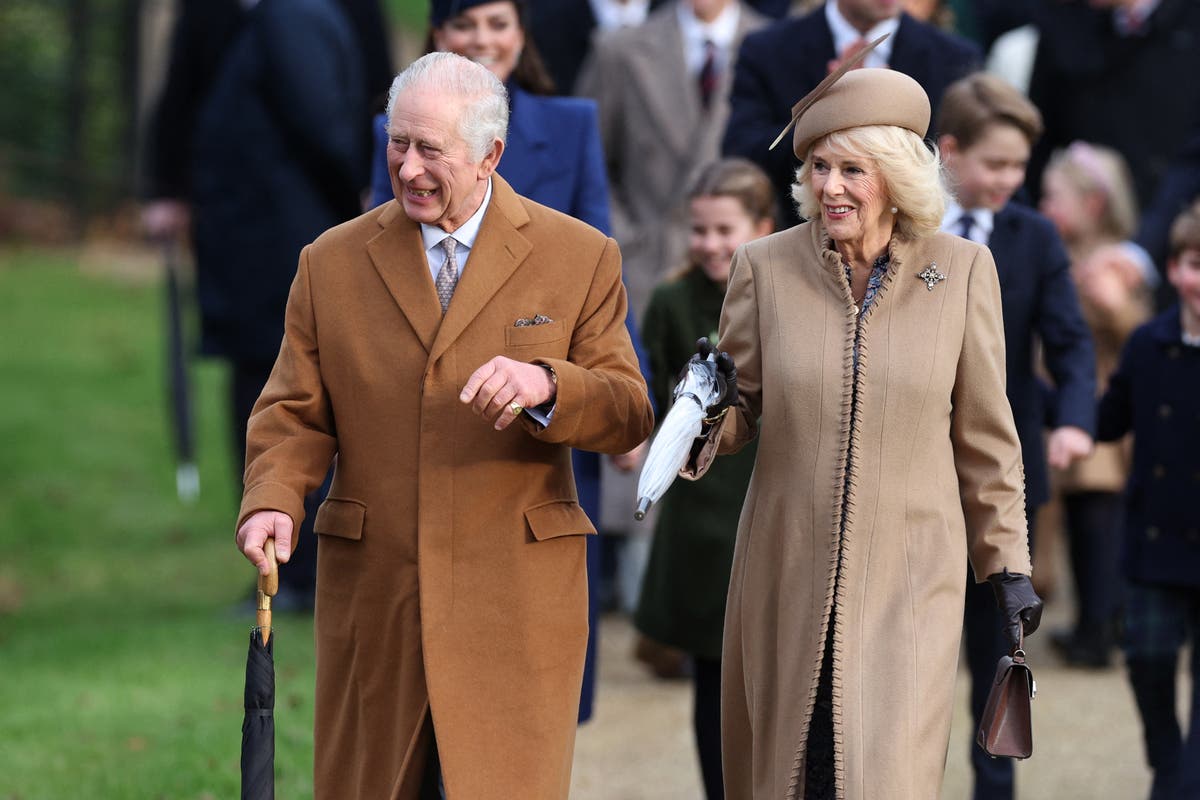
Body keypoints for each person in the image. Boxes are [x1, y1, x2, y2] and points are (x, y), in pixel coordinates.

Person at [235, 53, 653, 799]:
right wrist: (273, 497)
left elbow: (627, 410)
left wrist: (549, 384)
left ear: (491, 154)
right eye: (399, 143)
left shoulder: (581, 256)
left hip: (513, 600)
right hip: (378, 596)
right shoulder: (329, 262)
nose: (409, 167)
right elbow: (292, 411)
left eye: (432, 149)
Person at [679, 64, 1042, 799]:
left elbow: (986, 437)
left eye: (853, 169)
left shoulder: (965, 270)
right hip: (786, 568)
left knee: (885, 775)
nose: (831, 187)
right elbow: (740, 408)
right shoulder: (763, 267)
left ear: (898, 176)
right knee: (792, 770)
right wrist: (703, 411)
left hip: (912, 577)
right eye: (819, 167)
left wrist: (1007, 564)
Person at [367, 0, 650, 723]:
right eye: (465, 25)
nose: (482, 39)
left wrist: (620, 395)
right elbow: (382, 263)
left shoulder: (571, 122)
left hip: (541, 387)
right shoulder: (399, 136)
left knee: (540, 648)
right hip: (440, 402)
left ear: (523, 36)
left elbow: (598, 272)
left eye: (498, 24)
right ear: (438, 35)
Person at [143, 0, 376, 611]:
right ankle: (288, 570)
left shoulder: (291, 18)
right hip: (254, 246)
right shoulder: (262, 16)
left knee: (285, 397)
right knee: (263, 394)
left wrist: (352, 213)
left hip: (277, 247)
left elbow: (324, 128)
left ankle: (302, 574)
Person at [935, 71, 1096, 800]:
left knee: (1000, 649)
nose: (1010, 180)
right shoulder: (910, 229)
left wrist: (1072, 422)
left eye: (1019, 167)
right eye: (995, 164)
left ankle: (992, 791)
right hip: (915, 469)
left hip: (1006, 478)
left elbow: (1068, 340)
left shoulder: (1034, 238)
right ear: (949, 150)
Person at [634, 157, 775, 800]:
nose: (711, 244)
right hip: (699, 512)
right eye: (700, 230)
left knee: (774, 671)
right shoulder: (669, 300)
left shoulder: (785, 295)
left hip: (765, 498)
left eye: (726, 229)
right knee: (711, 678)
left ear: (764, 226)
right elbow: (656, 391)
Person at [1096, 200, 1200, 800]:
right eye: (1194, 263)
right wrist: (1062, 418)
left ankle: (1181, 784)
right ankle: (1169, 758)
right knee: (1149, 658)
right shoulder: (1146, 344)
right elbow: (1110, 419)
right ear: (1174, 268)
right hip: (1155, 535)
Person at [576, 0, 768, 319]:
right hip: (642, 275)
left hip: (749, 278)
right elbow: (587, 159)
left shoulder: (778, 44)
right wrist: (623, 239)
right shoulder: (619, 49)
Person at [1038, 141, 1151, 667]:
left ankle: (1099, 623)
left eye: (1053, 197)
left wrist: (1117, 307)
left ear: (1094, 204)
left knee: (1098, 517)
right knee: (1064, 516)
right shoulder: (1049, 251)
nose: (1044, 207)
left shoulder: (1119, 262)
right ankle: (1082, 615)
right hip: (1055, 400)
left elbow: (1143, 336)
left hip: (1104, 404)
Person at [721, 0, 981, 226]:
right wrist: (823, 114)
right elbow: (743, 155)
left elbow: (958, 164)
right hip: (794, 241)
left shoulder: (953, 58)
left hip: (910, 245)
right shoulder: (767, 49)